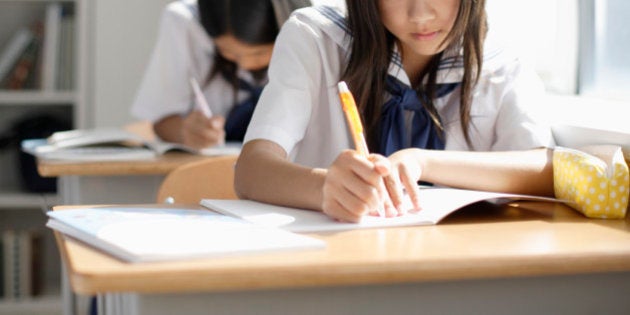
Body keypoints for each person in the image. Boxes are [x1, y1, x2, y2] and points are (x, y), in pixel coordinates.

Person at [234, 0, 556, 223]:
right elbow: (251, 170)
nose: (420, 14)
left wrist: (423, 161)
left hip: (456, 264)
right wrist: (323, 187)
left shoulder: (500, 60)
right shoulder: (316, 38)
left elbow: (547, 168)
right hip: (330, 261)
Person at [131, 0, 311, 149]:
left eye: (258, 54)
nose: (245, 64)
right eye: (227, 51)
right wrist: (186, 132)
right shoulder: (184, 22)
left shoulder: (311, 27)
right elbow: (162, 119)